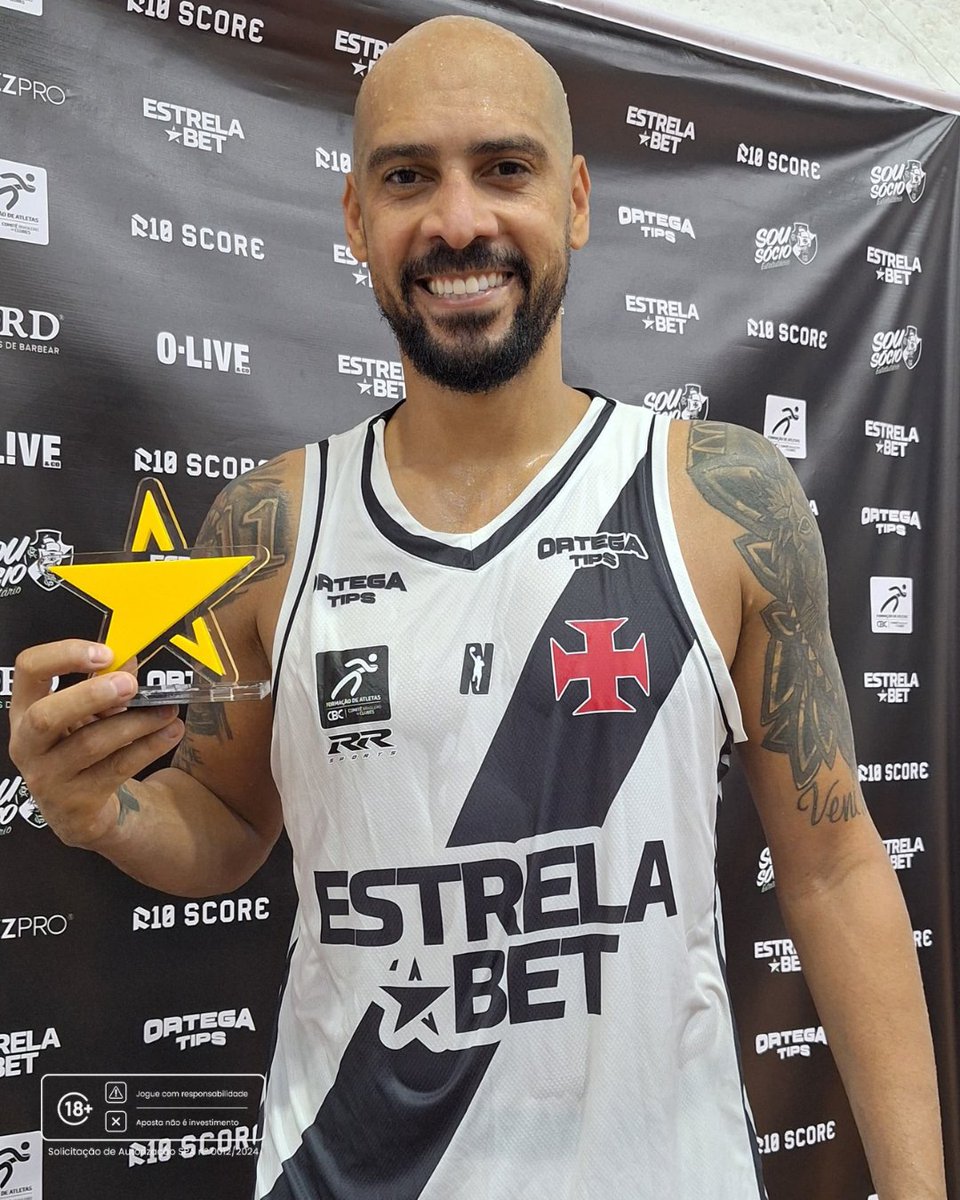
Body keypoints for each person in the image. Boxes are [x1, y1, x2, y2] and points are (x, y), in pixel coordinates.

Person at [8, 16, 946, 1200]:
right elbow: (228, 830)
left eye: (505, 168)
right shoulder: (267, 526)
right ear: (356, 216)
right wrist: (105, 813)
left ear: (576, 201)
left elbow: (832, 870)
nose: (458, 222)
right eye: (409, 178)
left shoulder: (718, 498)